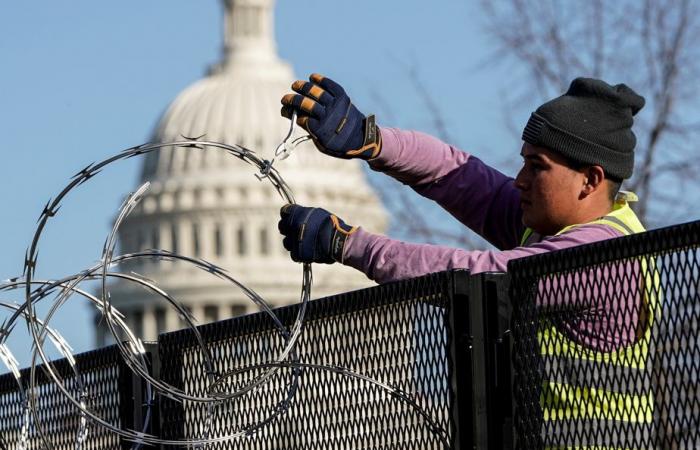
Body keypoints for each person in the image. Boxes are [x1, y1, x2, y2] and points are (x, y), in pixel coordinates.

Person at [278, 73, 655, 448]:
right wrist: (370, 140)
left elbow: (480, 277)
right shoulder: (551, 230)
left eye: (537, 167)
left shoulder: (602, 256)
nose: (520, 180)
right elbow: (455, 172)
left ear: (590, 180)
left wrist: (351, 245)